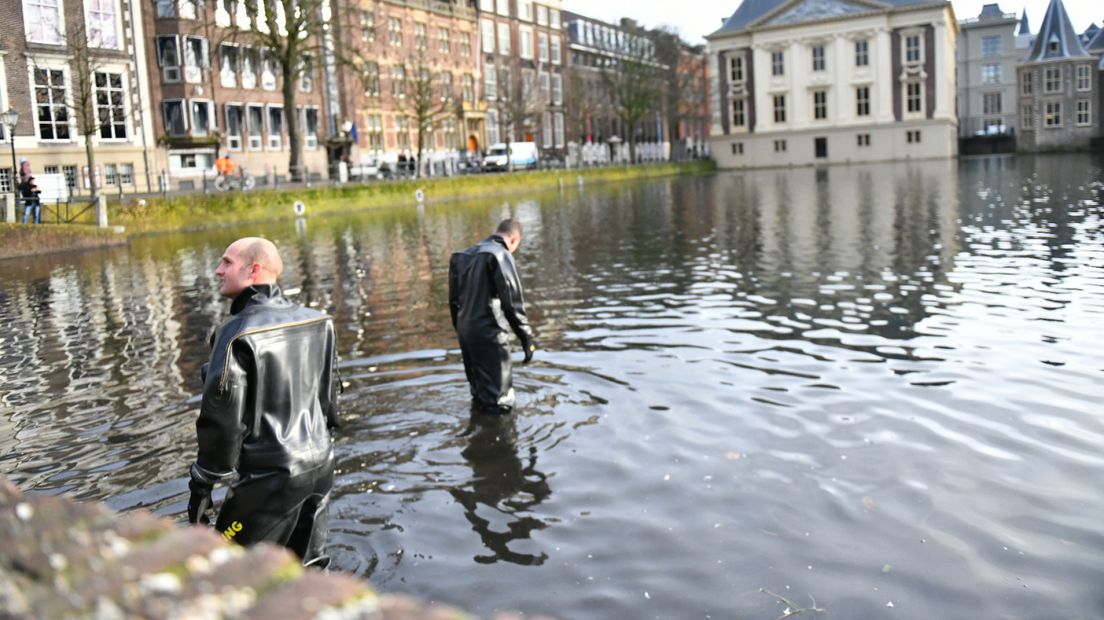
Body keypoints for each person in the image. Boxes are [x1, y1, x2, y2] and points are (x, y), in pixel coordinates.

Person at [187, 237, 340, 568]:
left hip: (268, 481)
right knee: (311, 569)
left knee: (231, 563)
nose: (218, 270)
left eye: (227, 262)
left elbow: (221, 419)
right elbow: (329, 401)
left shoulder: (236, 332)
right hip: (320, 464)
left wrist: (203, 481)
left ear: (253, 270)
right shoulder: (318, 321)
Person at [448, 219, 536, 413]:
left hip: (466, 331)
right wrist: (526, 337)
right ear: (514, 239)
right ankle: (500, 440)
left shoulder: (460, 256)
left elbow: (454, 302)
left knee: (479, 394)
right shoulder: (499, 255)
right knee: (501, 400)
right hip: (490, 333)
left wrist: (462, 330)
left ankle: (478, 434)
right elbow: (512, 302)